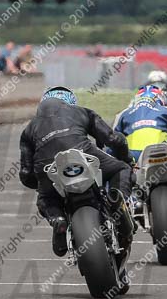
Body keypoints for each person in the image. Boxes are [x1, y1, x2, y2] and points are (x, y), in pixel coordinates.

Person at [19, 86, 134, 257]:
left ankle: (58, 219)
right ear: (70, 102)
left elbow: (25, 173)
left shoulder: (29, 128)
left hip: (48, 166)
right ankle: (118, 200)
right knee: (122, 169)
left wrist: (42, 185)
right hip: (83, 153)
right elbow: (113, 139)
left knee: (46, 199)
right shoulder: (82, 112)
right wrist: (125, 159)